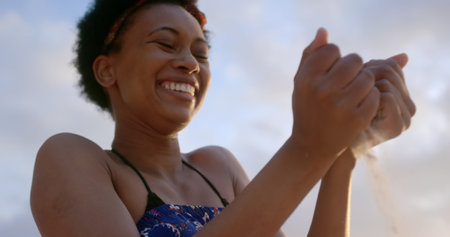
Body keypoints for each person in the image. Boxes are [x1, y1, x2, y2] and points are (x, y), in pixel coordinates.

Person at [30, 0, 416, 236]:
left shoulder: (219, 166)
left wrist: (343, 151)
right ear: (105, 71)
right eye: (165, 44)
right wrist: (310, 146)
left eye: (201, 54)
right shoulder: (71, 159)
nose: (189, 64)